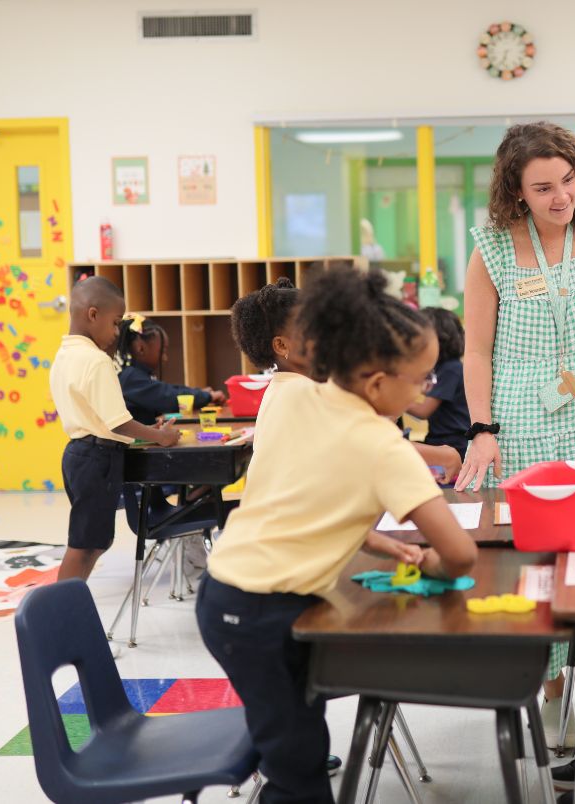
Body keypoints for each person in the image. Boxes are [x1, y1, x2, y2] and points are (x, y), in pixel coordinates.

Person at [197, 266, 478, 804]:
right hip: (256, 609)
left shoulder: (308, 398)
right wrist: (431, 565)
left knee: (297, 736)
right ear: (377, 383)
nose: (427, 391)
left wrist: (374, 541)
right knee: (297, 773)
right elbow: (460, 554)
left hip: (231, 593)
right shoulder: (382, 443)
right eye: (421, 380)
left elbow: (307, 497)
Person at [454, 121, 575, 748]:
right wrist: (482, 428)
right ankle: (551, 688)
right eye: (543, 188)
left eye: (568, 180)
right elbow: (476, 351)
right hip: (520, 405)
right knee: (531, 542)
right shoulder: (489, 248)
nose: (561, 196)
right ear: (516, 193)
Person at [231, 277, 463, 482]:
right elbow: (369, 447)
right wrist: (442, 455)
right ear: (282, 345)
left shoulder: (293, 386)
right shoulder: (300, 392)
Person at [48, 277, 180, 583]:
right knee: (84, 545)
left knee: (92, 542)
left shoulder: (64, 355)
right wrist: (159, 436)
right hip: (97, 458)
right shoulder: (95, 361)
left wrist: (146, 429)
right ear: (93, 315)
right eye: (116, 323)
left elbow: (100, 417)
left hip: (79, 454)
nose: (117, 333)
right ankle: (65, 607)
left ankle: (72, 599)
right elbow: (116, 422)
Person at [114, 314, 224, 423]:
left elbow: (168, 389)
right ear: (141, 348)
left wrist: (198, 392)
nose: (165, 358)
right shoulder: (130, 378)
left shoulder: (135, 374)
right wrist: (207, 396)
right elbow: (167, 397)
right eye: (163, 351)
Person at [405, 307, 470, 463]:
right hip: (438, 438)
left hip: (452, 444)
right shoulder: (440, 368)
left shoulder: (451, 369)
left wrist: (393, 400)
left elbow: (423, 411)